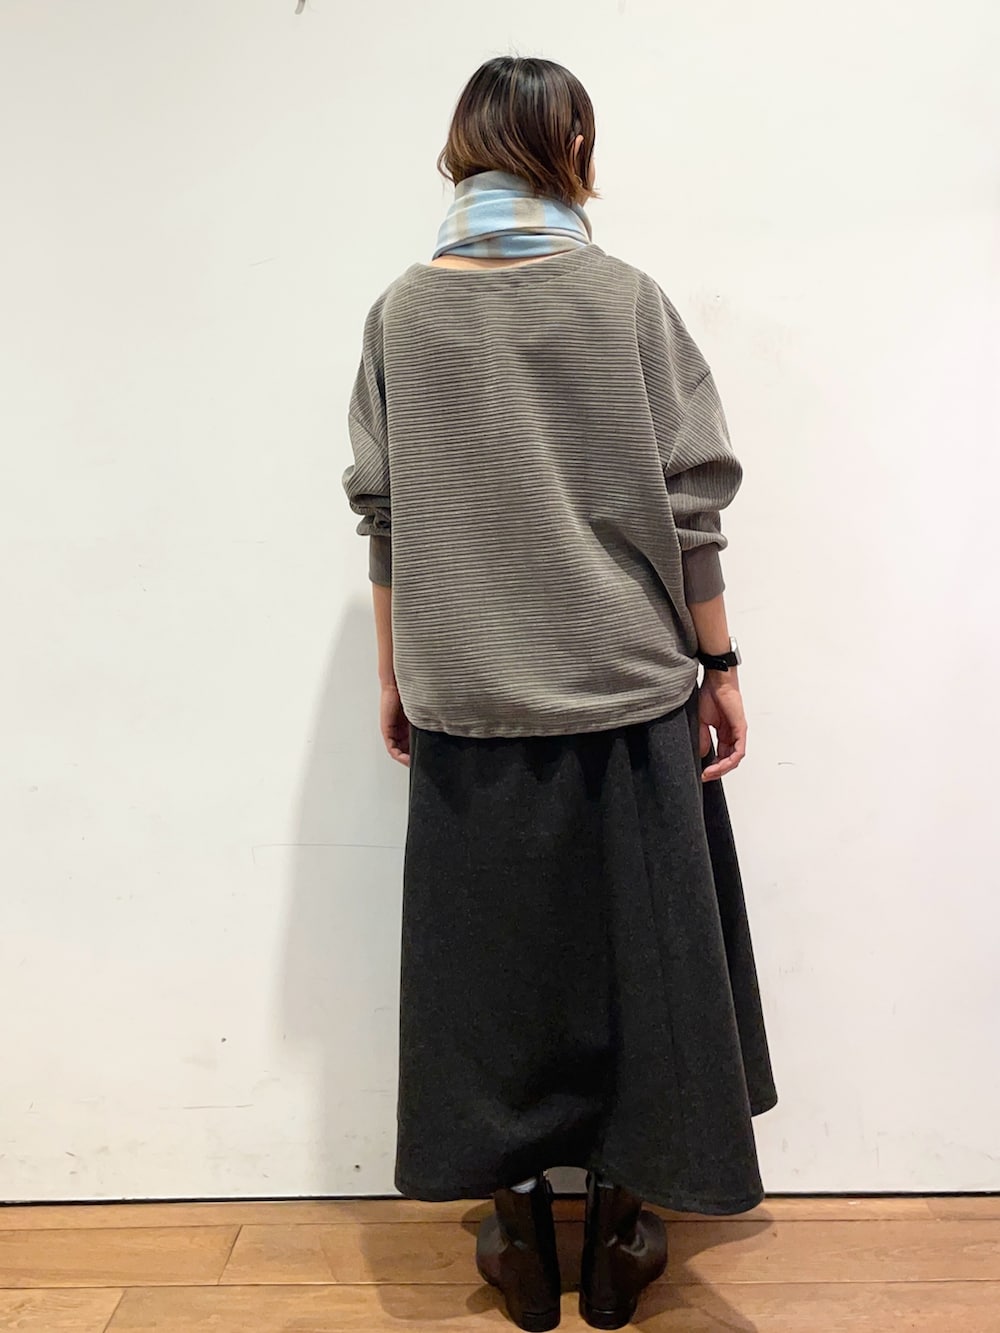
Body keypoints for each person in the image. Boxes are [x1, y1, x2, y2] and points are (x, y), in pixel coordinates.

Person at [343, 55, 777, 1332]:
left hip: (469, 697)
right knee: (648, 969)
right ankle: (625, 1231)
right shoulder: (624, 299)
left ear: (462, 147)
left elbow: (384, 515)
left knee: (490, 979)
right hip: (625, 689)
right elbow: (691, 505)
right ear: (570, 145)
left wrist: (398, 673)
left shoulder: (400, 314)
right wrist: (721, 665)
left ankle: (524, 1228)